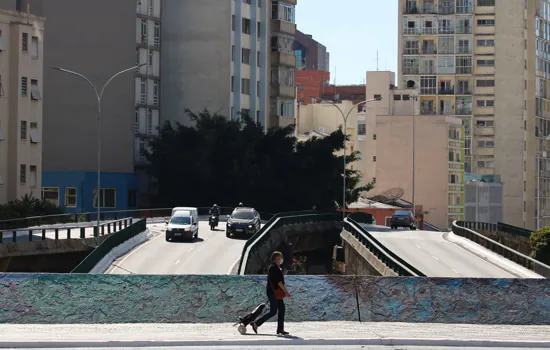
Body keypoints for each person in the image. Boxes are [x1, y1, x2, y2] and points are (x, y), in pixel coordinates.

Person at [251, 251, 290, 335]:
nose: (280, 260)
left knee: (282, 309)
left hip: (276, 293)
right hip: (273, 293)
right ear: (274, 259)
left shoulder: (277, 268)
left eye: (280, 258)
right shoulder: (273, 268)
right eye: (278, 258)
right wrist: (286, 292)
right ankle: (256, 323)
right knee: (273, 311)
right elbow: (279, 282)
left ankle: (280, 329)